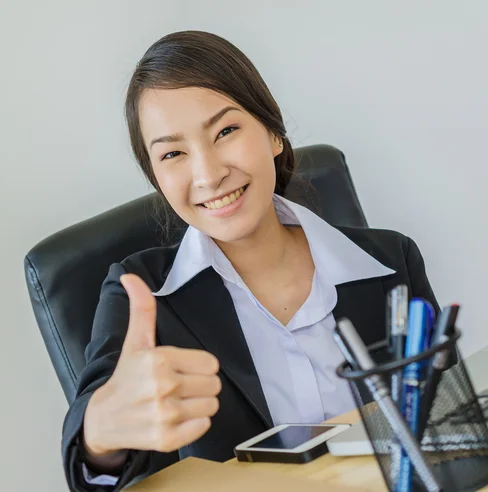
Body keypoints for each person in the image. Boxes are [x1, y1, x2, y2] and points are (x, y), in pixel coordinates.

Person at [62, 30, 439, 491]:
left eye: (225, 131)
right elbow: (94, 469)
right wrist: (102, 432)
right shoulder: (141, 294)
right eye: (173, 153)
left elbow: (447, 426)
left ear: (274, 133)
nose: (209, 174)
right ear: (157, 178)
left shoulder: (389, 263)